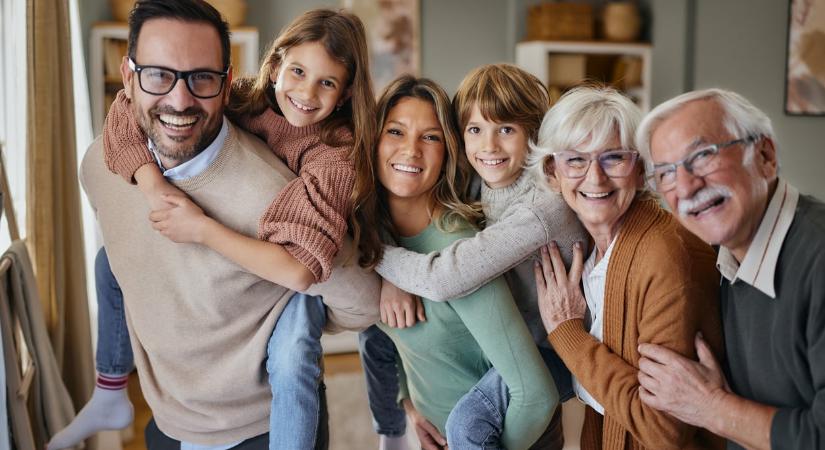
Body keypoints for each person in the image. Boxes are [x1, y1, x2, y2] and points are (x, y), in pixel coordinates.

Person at [75, 1, 378, 449]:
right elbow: (125, 111)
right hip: (172, 414)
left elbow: (301, 270)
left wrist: (202, 228)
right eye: (297, 72)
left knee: (294, 356)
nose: (307, 94)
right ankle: (110, 385)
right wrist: (153, 184)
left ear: (346, 93)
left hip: (307, 255)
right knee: (107, 262)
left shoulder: (330, 158)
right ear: (274, 66)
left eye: (327, 83)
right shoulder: (242, 100)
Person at [363, 63, 585, 450]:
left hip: (546, 368)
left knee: (470, 422)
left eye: (430, 137)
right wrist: (410, 406)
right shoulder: (476, 183)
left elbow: (445, 277)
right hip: (443, 423)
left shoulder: (538, 210)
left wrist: (379, 257)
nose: (489, 146)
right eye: (476, 131)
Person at [529, 86, 725, 450]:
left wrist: (567, 332)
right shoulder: (584, 251)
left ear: (639, 170)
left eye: (613, 158)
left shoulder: (664, 255)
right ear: (552, 172)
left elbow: (662, 431)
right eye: (575, 160)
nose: (595, 178)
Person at [635, 88, 825, 450]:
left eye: (703, 155)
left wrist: (711, 407)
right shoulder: (719, 260)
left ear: (766, 155)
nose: (687, 186)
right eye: (666, 174)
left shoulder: (818, 258)